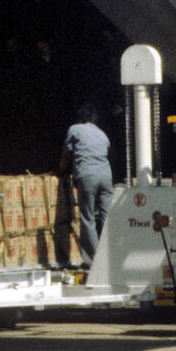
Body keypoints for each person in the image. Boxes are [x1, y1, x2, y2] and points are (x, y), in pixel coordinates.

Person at [61, 104, 115, 268]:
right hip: (106, 176)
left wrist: (59, 171)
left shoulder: (75, 129)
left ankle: (94, 261)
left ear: (80, 118)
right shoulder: (102, 134)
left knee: (88, 218)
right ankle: (112, 256)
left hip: (87, 176)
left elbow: (66, 155)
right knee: (108, 218)